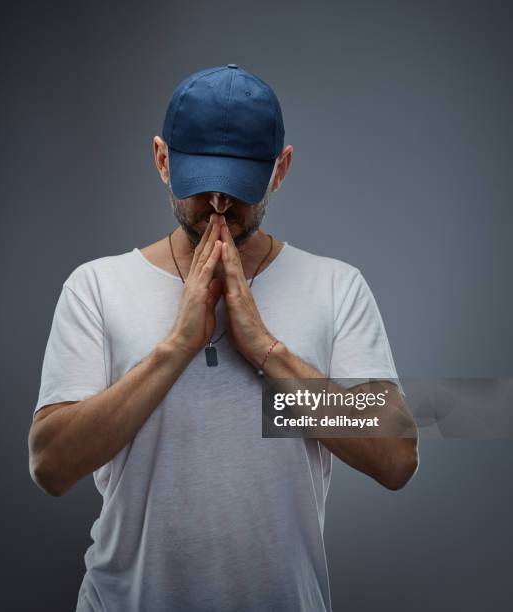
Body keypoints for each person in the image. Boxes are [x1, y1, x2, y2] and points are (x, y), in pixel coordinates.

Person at [28, 64, 419, 612]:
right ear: (162, 160)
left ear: (280, 169)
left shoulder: (335, 287)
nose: (216, 202)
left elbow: (397, 457)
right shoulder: (96, 287)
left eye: (238, 187)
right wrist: (176, 347)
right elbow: (50, 465)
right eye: (199, 182)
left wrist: (266, 350)